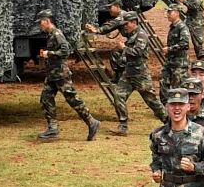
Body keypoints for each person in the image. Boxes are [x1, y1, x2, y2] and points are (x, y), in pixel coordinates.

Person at [36, 10, 101, 141]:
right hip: (53, 75)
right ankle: (52, 128)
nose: (39, 25)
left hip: (60, 74)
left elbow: (66, 51)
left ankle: (92, 122)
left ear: (47, 21)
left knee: (73, 99)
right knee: (46, 98)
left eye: (40, 22)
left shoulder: (57, 34)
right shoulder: (51, 34)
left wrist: (49, 54)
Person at [111, 12, 167, 135]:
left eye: (127, 24)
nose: (125, 26)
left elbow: (137, 52)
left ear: (134, 23)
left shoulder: (141, 35)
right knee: (118, 95)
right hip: (128, 73)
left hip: (140, 74)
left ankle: (169, 122)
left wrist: (123, 49)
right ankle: (123, 125)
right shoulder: (131, 34)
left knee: (151, 100)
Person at [161, 3, 192, 94]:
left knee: (178, 90)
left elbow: (185, 44)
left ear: (177, 13)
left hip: (179, 65)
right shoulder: (173, 27)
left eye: (170, 12)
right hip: (170, 62)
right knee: (163, 85)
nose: (168, 14)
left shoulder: (182, 27)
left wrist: (169, 49)